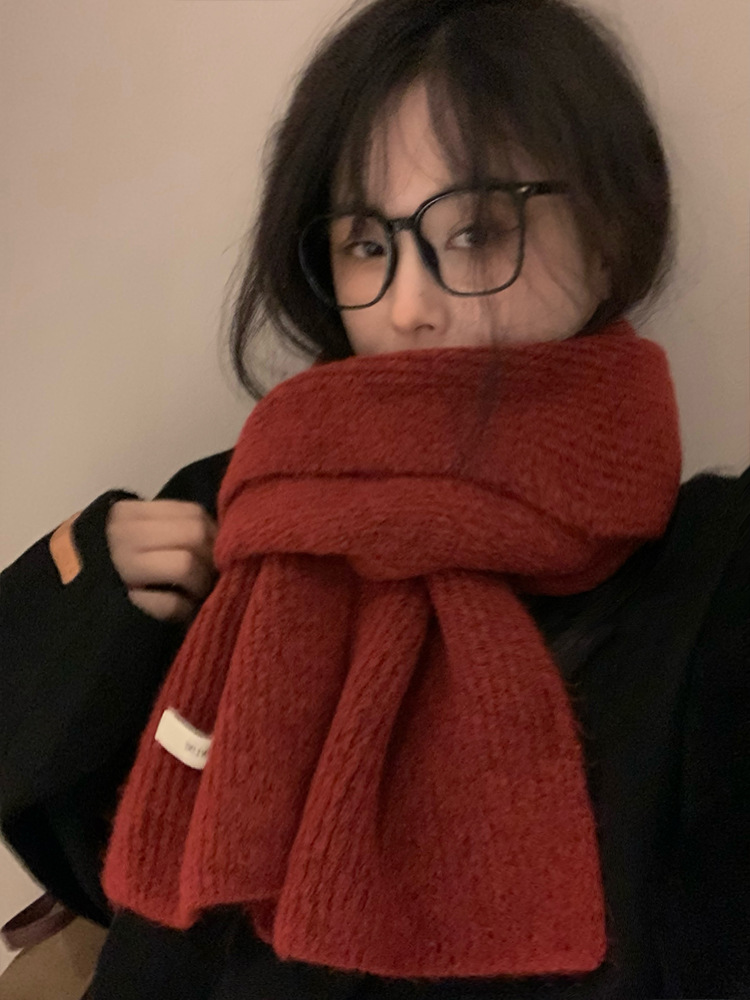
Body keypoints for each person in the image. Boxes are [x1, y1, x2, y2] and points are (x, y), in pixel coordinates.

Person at [0, 0, 747, 997]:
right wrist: (82, 597)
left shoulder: (712, 572)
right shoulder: (245, 513)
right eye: (365, 243)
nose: (407, 305)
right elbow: (102, 860)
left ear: (609, 232)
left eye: (476, 230)